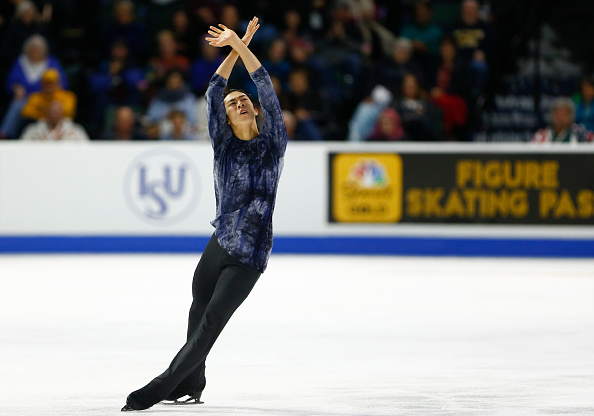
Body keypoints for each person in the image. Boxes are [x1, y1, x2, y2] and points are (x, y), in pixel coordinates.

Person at [121, 16, 288, 411]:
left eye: (242, 100)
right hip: (220, 242)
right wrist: (232, 49)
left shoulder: (272, 144)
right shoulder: (224, 146)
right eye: (232, 104)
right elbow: (214, 89)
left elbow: (263, 85)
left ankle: (161, 385)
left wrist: (243, 47)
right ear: (225, 119)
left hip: (249, 253)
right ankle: (193, 383)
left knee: (210, 324)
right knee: (196, 312)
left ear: (254, 110)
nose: (239, 101)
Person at [20, 100, 89, 141]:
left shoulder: (75, 130)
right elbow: (22, 145)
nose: (54, 115)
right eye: (52, 112)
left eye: (57, 112)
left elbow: (86, 147)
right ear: (47, 113)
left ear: (62, 114)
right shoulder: (34, 130)